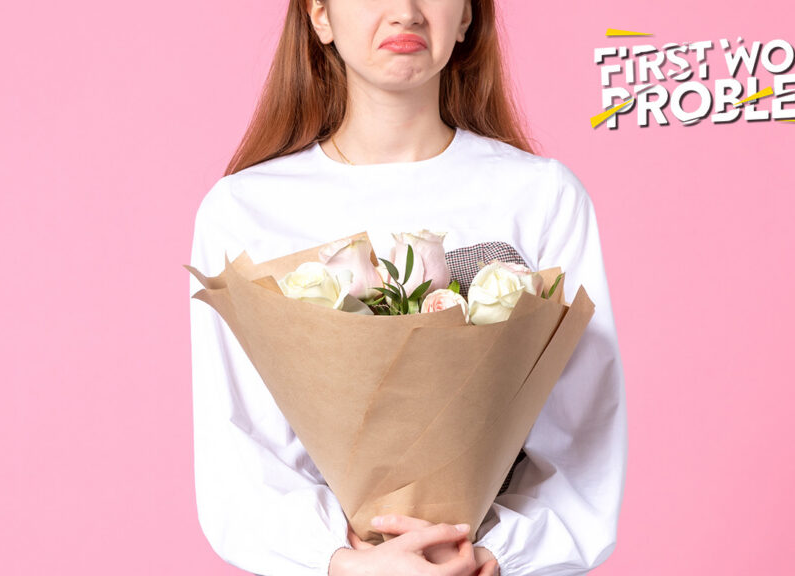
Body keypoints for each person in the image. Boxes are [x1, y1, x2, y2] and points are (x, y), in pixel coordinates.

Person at [188, 1, 627, 574]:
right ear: (319, 15)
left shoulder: (542, 197)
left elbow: (583, 435)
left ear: (466, 17)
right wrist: (345, 561)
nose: (405, 12)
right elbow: (239, 448)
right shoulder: (244, 210)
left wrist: (493, 556)